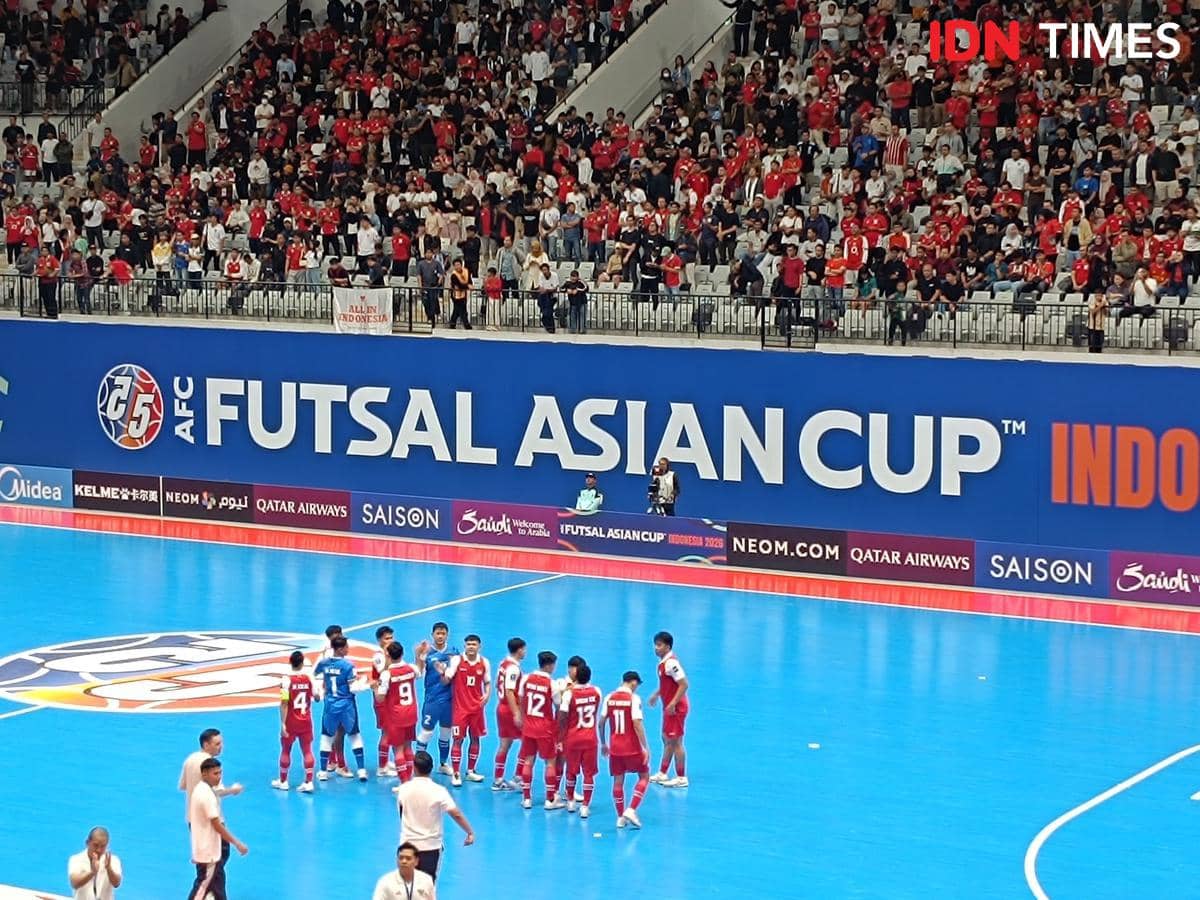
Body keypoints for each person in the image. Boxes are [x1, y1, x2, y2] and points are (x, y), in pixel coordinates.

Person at [394, 751, 476, 882]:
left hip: (407, 846)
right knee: (427, 888)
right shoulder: (439, 791)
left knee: (406, 887)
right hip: (430, 847)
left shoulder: (403, 789)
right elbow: (456, 813)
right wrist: (470, 832)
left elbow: (401, 814)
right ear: (431, 769)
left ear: (414, 768)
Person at [188, 757, 248, 900]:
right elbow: (217, 825)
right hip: (209, 852)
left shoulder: (201, 789)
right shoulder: (207, 796)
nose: (219, 777)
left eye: (220, 773)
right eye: (215, 774)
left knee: (218, 883)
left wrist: (231, 790)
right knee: (203, 886)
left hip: (206, 848)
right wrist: (237, 843)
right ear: (204, 774)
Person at [314, 635, 369, 781]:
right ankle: (362, 770)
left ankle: (323, 772)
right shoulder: (348, 666)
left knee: (326, 737)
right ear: (340, 649)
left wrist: (319, 691)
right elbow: (353, 689)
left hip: (330, 705)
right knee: (354, 735)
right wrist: (365, 683)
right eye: (346, 647)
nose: (348, 649)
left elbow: (312, 675)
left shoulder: (324, 663)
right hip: (347, 706)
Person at [601, 671, 651, 829]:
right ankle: (631, 809)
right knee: (644, 776)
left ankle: (620, 817)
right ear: (633, 682)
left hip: (615, 748)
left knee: (618, 781)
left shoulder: (609, 697)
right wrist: (645, 746)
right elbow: (637, 723)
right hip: (632, 747)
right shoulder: (633, 699)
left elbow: (601, 722)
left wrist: (603, 743)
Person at [443, 634, 491, 786]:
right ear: (464, 646)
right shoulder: (457, 660)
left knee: (475, 738)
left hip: (477, 709)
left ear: (479, 646)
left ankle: (471, 771)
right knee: (458, 739)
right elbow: (447, 678)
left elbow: (488, 682)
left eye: (474, 644)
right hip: (460, 710)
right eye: (468, 644)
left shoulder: (484, 662)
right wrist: (442, 673)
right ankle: (456, 773)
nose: (471, 647)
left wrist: (487, 695)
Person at [518, 650, 562, 810]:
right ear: (550, 665)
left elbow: (521, 700)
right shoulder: (552, 684)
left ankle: (527, 798)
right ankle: (550, 799)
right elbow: (559, 706)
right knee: (550, 762)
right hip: (545, 729)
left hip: (528, 727)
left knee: (528, 760)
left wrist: (523, 719)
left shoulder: (526, 679)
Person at [559, 662, 602, 819]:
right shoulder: (597, 692)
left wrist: (560, 735)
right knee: (588, 773)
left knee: (571, 771)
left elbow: (562, 716)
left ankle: (570, 801)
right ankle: (585, 806)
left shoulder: (569, 694)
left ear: (575, 676)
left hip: (573, 738)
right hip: (590, 738)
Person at [377, 641, 424, 784]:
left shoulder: (387, 674)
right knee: (408, 747)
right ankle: (410, 778)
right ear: (402, 654)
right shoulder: (410, 668)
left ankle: (404, 783)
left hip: (396, 716)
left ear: (388, 656)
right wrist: (418, 655)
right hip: (411, 712)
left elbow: (380, 698)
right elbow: (420, 672)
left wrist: (375, 687)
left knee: (398, 750)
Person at [415, 622, 459, 774]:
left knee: (446, 733)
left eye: (443, 633)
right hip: (432, 700)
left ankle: (443, 763)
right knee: (426, 733)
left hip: (448, 700)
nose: (440, 636)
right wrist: (418, 656)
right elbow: (419, 673)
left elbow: (456, 674)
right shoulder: (427, 652)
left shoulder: (453, 652)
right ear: (432, 635)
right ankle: (418, 764)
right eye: (437, 633)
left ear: (447, 635)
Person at [649, 630, 690, 787]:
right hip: (669, 707)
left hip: (676, 708)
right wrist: (657, 694)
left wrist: (673, 703)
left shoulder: (671, 663)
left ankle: (681, 777)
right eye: (655, 645)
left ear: (667, 647)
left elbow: (684, 684)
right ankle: (663, 772)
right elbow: (668, 684)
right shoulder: (663, 663)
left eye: (659, 645)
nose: (656, 648)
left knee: (676, 741)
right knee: (666, 738)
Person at [179, 729, 242, 827]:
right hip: (211, 820)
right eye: (217, 744)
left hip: (193, 819)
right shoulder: (211, 765)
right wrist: (234, 790)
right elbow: (218, 791)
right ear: (206, 745)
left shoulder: (190, 759)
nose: (221, 747)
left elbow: (183, 786)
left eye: (221, 743)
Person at [273, 650, 315, 793]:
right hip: (306, 721)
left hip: (291, 721)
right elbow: (317, 697)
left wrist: (283, 724)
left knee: (286, 750)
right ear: (302, 663)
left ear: (290, 662)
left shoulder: (286, 681)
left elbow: (284, 703)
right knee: (307, 751)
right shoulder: (308, 679)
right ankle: (309, 782)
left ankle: (283, 781)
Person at [492, 637, 526, 790]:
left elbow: (496, 684)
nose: (525, 652)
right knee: (528, 742)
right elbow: (509, 690)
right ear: (519, 650)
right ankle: (518, 777)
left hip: (501, 708)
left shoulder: (502, 664)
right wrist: (516, 713)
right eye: (524, 649)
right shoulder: (513, 668)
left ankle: (498, 780)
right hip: (510, 709)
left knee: (504, 745)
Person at [68, 827, 123, 900]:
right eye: (95, 845)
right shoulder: (76, 859)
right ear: (87, 842)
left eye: (103, 846)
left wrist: (109, 869)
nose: (99, 850)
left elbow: (116, 883)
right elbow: (74, 883)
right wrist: (92, 872)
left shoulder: (113, 860)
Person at [371, 626, 397, 777]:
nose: (390, 641)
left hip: (390, 697)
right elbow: (384, 672)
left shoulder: (389, 654)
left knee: (392, 730)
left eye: (391, 637)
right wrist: (389, 656)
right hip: (381, 697)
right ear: (380, 640)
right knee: (386, 731)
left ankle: (386, 761)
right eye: (387, 638)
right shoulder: (379, 656)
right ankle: (382, 767)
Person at [372, 843, 437, 900]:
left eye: (408, 858)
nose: (404, 861)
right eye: (401, 858)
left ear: (416, 861)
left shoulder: (426, 880)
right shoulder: (385, 881)